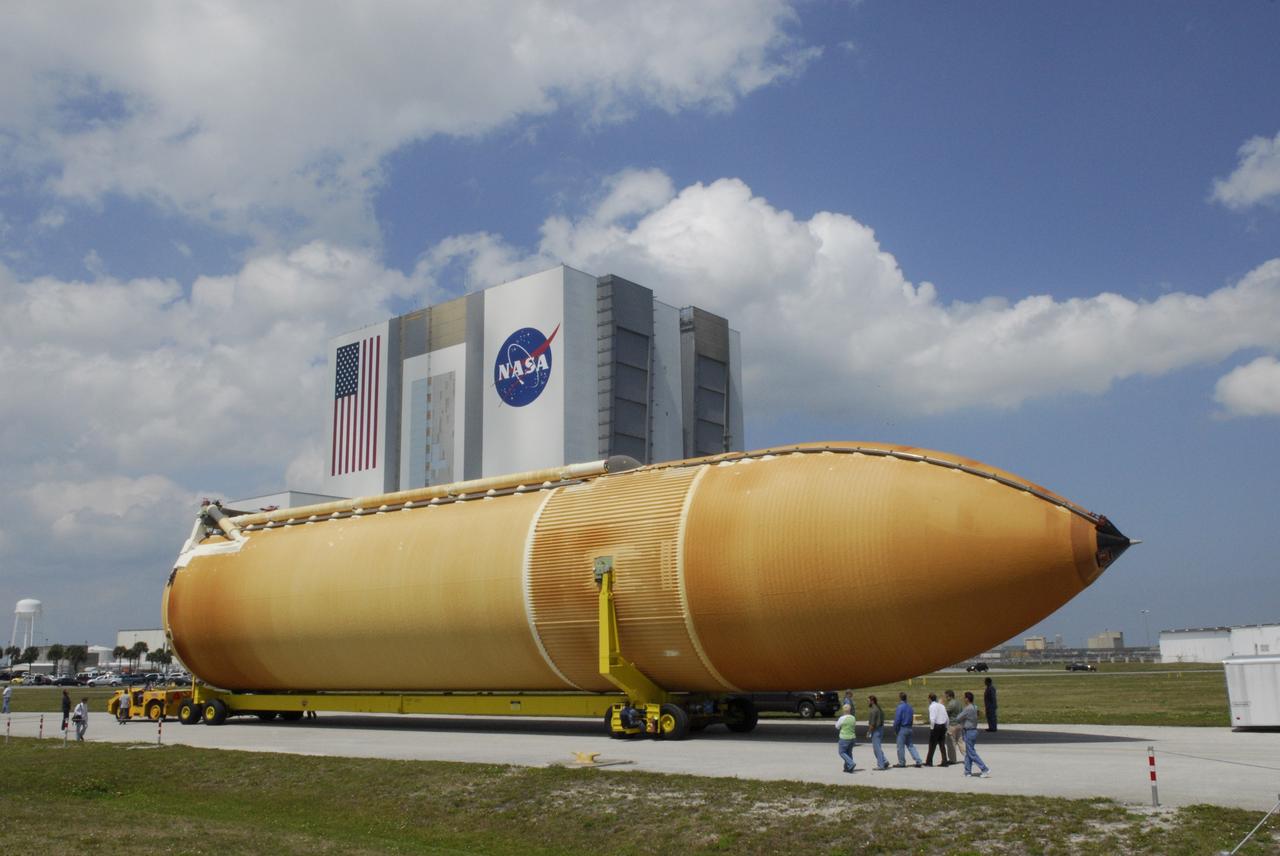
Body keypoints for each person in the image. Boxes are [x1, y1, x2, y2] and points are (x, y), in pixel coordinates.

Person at [957, 691, 990, 777]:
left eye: (964, 698)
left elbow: (958, 718)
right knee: (968, 752)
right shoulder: (975, 707)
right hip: (973, 731)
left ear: (967, 699)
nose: (963, 699)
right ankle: (967, 771)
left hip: (969, 732)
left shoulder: (968, 708)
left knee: (971, 752)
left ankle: (984, 768)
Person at [892, 691, 923, 767]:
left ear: (900, 698)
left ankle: (901, 762)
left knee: (900, 747)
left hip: (902, 729)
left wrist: (895, 729)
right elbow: (911, 718)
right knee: (910, 745)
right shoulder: (910, 707)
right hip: (909, 727)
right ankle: (918, 760)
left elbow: (897, 720)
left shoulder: (900, 707)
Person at [924, 692, 950, 766]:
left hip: (936, 726)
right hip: (943, 726)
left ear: (929, 699)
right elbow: (947, 718)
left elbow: (932, 719)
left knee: (932, 745)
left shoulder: (932, 706)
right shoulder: (941, 705)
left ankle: (929, 761)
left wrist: (932, 728)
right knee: (942, 744)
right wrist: (946, 727)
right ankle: (944, 761)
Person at [866, 695, 890, 770]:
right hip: (880, 729)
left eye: (868, 701)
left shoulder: (873, 710)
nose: (868, 702)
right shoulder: (879, 708)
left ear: (872, 701)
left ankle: (881, 765)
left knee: (877, 749)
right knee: (878, 748)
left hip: (876, 731)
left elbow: (872, 724)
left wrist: (868, 732)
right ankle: (884, 761)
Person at [834, 704, 857, 773]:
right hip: (852, 737)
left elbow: (837, 726)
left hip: (844, 738)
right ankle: (848, 768)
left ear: (843, 710)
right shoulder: (853, 718)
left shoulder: (842, 718)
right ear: (850, 710)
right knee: (849, 753)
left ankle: (851, 763)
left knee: (842, 752)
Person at [944, 689, 964, 764]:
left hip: (952, 725)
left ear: (949, 696)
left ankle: (952, 759)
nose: (946, 698)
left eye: (946, 696)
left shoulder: (950, 704)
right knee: (960, 742)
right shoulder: (959, 702)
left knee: (951, 743)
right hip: (959, 724)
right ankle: (968, 756)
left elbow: (946, 714)